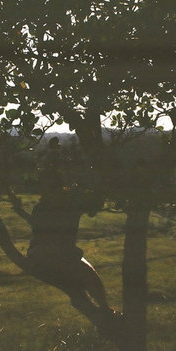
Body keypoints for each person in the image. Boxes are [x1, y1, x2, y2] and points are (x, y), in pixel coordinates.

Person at [27, 138, 120, 333]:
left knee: (89, 276)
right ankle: (104, 312)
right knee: (86, 274)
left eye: (49, 188)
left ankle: (105, 311)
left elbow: (94, 201)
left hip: (58, 255)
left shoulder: (67, 204)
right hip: (47, 256)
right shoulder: (44, 209)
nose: (45, 192)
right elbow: (46, 243)